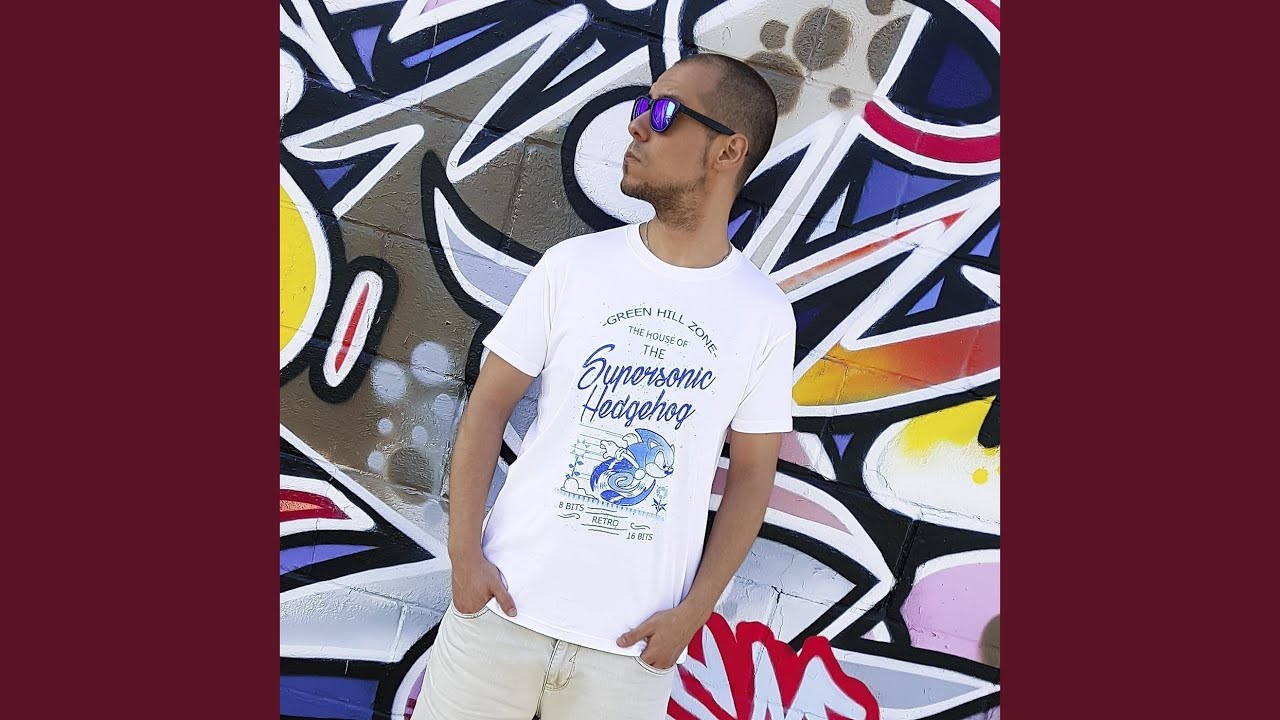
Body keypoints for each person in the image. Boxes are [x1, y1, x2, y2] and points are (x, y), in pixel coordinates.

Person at [420, 52, 793, 720]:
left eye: (664, 111)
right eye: (641, 105)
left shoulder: (762, 313)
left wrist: (692, 615)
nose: (637, 125)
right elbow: (490, 403)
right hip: (500, 619)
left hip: (629, 658)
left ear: (728, 151)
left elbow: (752, 477)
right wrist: (463, 557)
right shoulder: (575, 268)